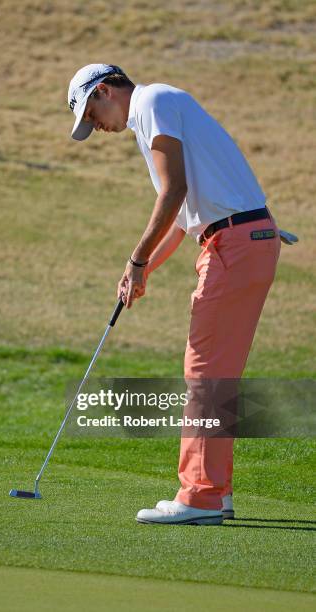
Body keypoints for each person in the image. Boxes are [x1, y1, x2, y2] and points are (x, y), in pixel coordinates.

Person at [67, 63, 282, 525]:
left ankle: (200, 496)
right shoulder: (155, 114)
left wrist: (136, 259)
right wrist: (142, 271)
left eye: (92, 114)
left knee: (204, 372)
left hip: (235, 243)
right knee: (217, 375)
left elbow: (173, 192)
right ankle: (215, 491)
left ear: (105, 90)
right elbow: (183, 221)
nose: (97, 128)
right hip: (243, 239)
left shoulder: (152, 102)